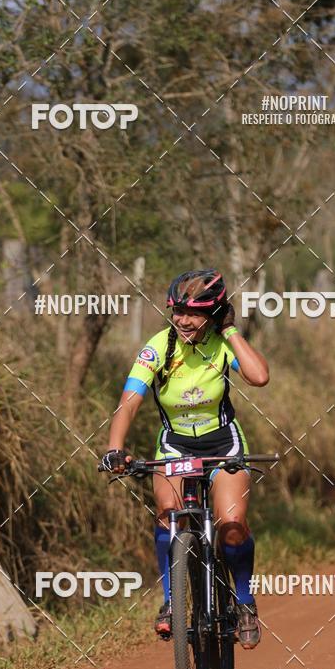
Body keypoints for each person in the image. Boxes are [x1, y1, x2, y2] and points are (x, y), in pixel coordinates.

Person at [100, 269, 270, 648]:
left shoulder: (223, 345)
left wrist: (230, 331)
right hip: (176, 446)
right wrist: (115, 448)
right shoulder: (160, 346)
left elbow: (259, 377)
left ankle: (243, 600)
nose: (183, 320)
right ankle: (172, 603)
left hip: (222, 444)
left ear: (215, 313)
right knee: (167, 515)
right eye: (177, 311)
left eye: (194, 313)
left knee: (232, 525)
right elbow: (129, 402)